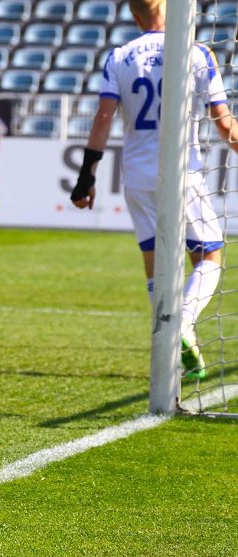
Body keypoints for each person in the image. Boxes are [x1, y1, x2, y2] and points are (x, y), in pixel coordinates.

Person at [71, 0, 238, 380]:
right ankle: (180, 325)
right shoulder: (198, 52)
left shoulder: (120, 56)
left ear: (134, 15)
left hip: (137, 173)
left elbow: (103, 117)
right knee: (209, 256)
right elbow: (225, 125)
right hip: (182, 171)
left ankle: (171, 341)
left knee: (156, 262)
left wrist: (86, 176)